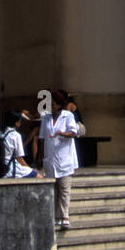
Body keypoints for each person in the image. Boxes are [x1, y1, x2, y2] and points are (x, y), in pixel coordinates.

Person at [39, 89, 79, 228]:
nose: (50, 107)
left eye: (53, 104)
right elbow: (42, 139)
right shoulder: (46, 119)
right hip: (50, 159)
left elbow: (73, 133)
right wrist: (40, 158)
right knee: (54, 189)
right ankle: (56, 216)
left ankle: (65, 215)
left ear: (59, 105)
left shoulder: (67, 116)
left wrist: (62, 133)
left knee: (64, 189)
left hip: (65, 159)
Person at [0, 110, 40, 178]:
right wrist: (31, 170)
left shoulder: (0, 134)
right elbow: (20, 159)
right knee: (38, 176)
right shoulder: (15, 135)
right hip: (9, 168)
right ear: (16, 123)